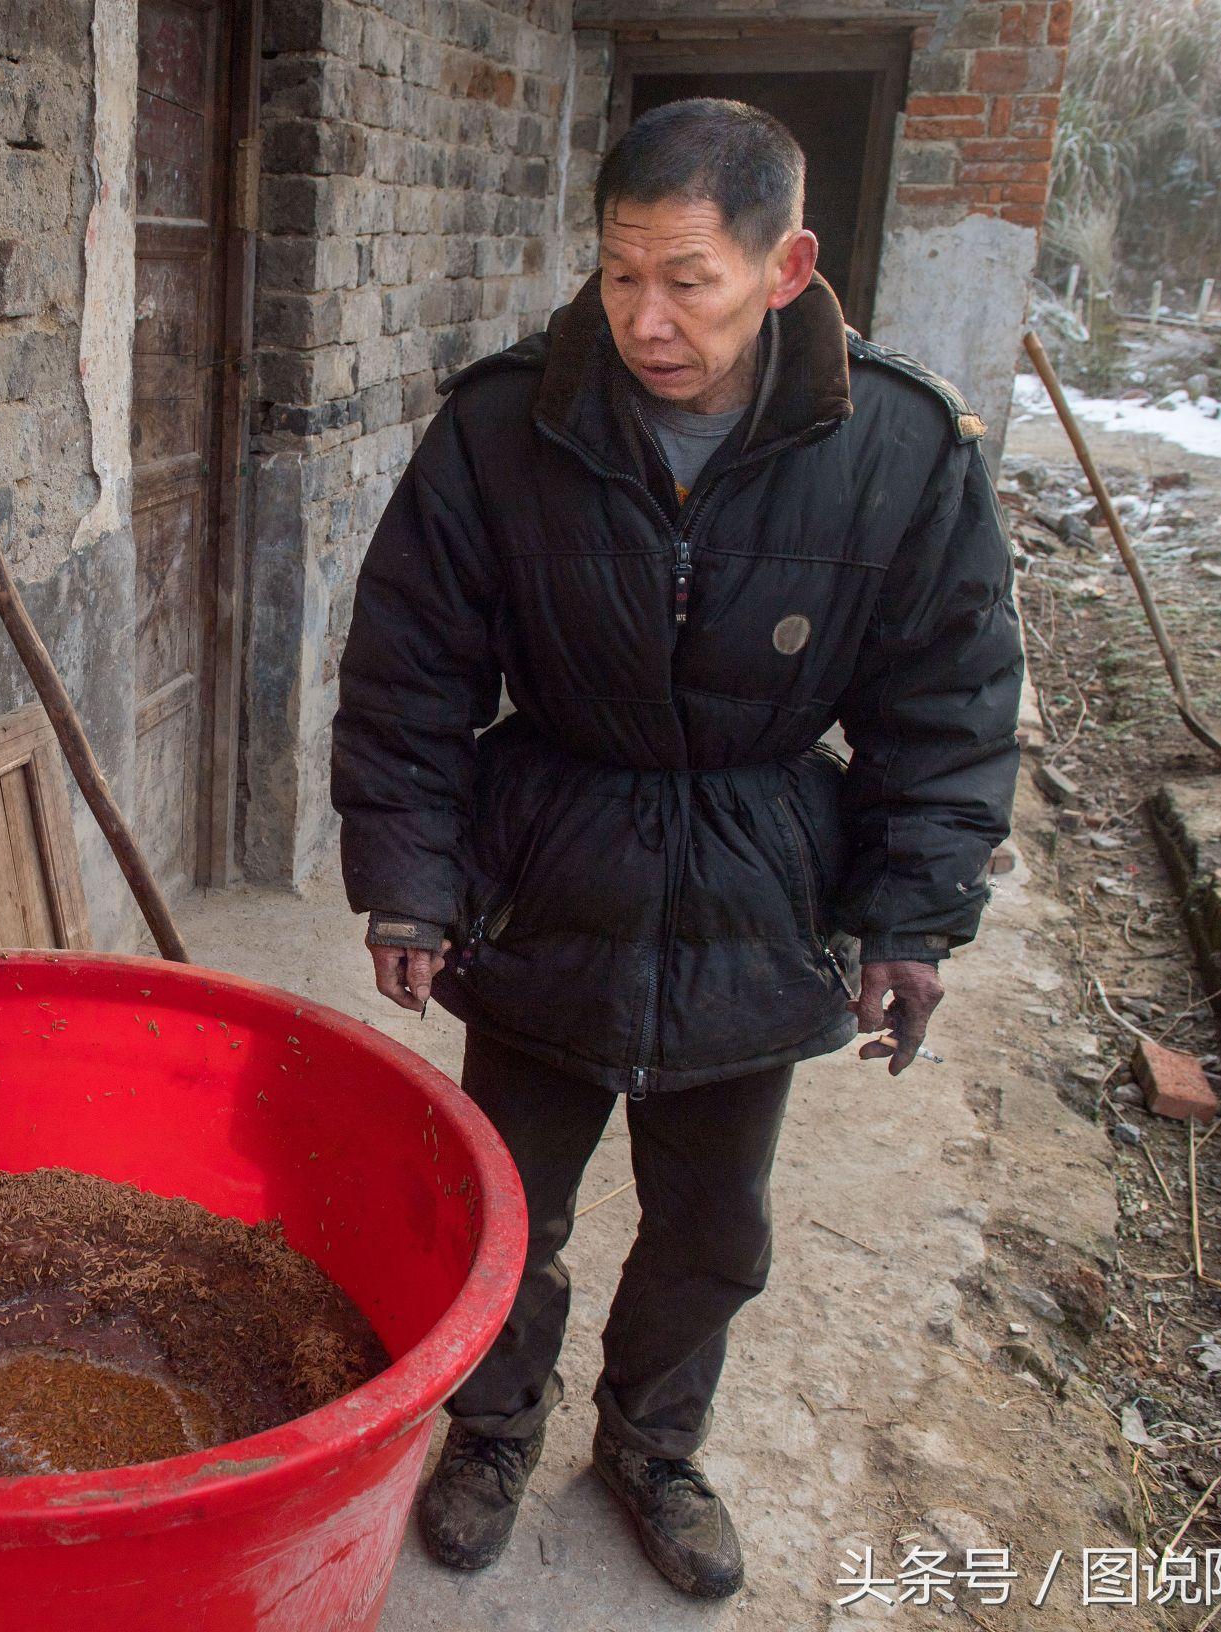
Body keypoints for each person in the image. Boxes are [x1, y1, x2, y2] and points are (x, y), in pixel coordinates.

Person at [329, 98, 1022, 1599]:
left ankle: (651, 1445)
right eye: (618, 272)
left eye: (686, 279)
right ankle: (494, 1429)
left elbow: (946, 702)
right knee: (504, 1202)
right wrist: (410, 877)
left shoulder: (894, 442)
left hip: (762, 880)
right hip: (544, 867)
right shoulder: (506, 423)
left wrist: (912, 917)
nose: (644, 317)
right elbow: (407, 674)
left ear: (785, 268)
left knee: (712, 1228)